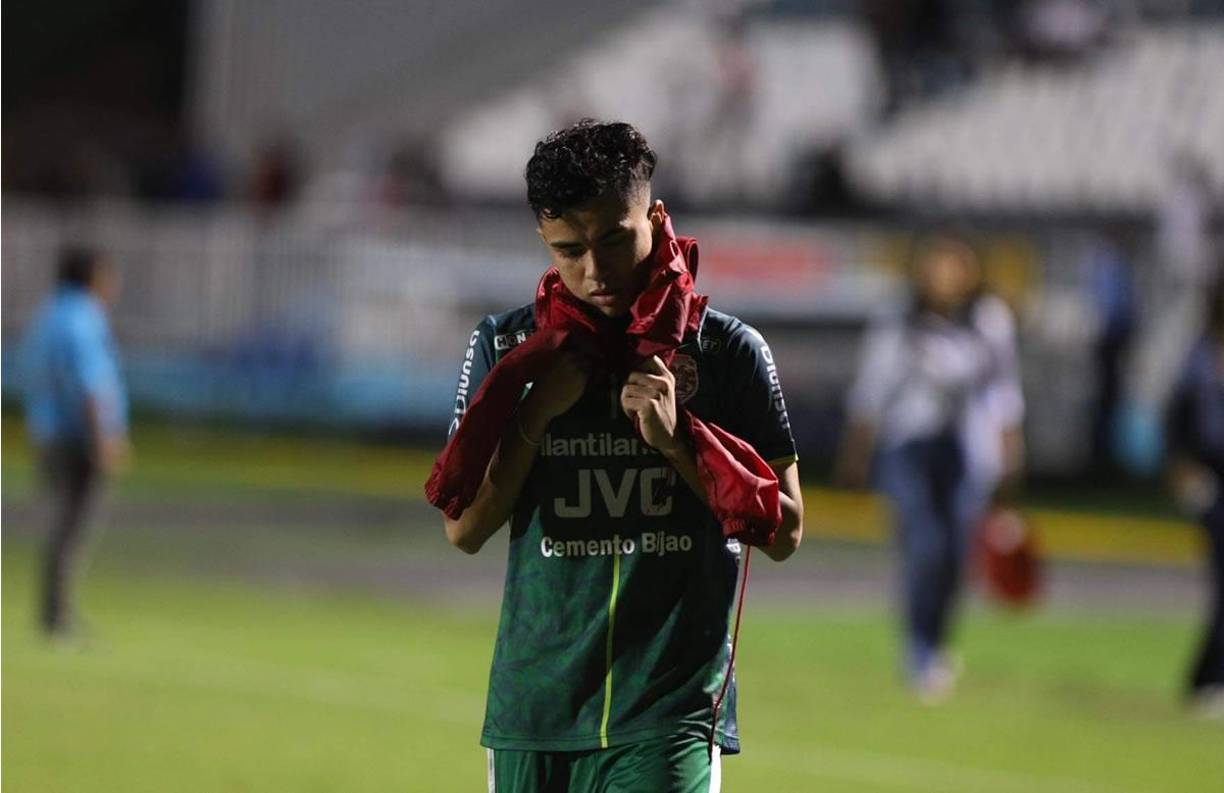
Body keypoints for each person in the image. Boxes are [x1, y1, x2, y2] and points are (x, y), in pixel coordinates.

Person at [429, 120, 804, 791]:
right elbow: (464, 528)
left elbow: (785, 528)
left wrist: (678, 438)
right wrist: (537, 412)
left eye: (613, 239)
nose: (594, 271)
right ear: (543, 240)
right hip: (536, 708)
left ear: (656, 218)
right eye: (569, 250)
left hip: (669, 710)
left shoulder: (727, 352)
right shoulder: (510, 350)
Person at [836, 233, 1024, 702]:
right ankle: (919, 649)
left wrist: (1009, 452)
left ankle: (938, 642)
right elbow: (872, 387)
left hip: (965, 449)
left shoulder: (988, 321)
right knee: (924, 547)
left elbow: (1003, 392)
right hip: (909, 445)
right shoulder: (899, 319)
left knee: (958, 553)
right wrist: (857, 451)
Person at [21, 246, 130, 638]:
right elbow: (91, 384)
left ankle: (54, 612)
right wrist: (105, 437)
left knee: (61, 523)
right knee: (72, 526)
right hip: (77, 437)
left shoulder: (48, 314)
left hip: (48, 433)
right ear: (93, 276)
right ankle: (57, 616)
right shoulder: (84, 318)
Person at [1166, 278, 1224, 718]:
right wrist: (1185, 475)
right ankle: (1211, 679)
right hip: (1211, 479)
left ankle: (1203, 678)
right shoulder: (1202, 355)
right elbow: (1177, 419)